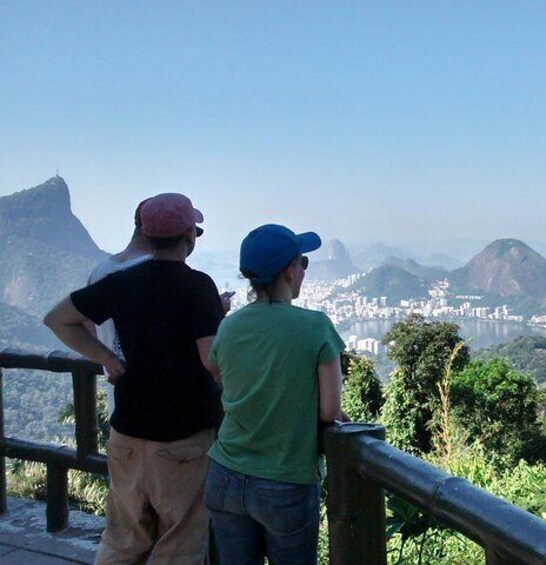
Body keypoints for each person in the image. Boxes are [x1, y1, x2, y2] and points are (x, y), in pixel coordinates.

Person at [44, 193, 224, 564]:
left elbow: (58, 319)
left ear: (146, 233)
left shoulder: (123, 282)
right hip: (183, 439)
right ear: (189, 235)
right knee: (180, 544)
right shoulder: (198, 286)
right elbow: (212, 361)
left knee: (122, 541)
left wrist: (107, 358)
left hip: (126, 434)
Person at [203, 224, 345, 565]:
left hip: (224, 474)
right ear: (289, 270)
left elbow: (218, 372)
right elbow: (330, 411)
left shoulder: (229, 325)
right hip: (285, 480)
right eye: (303, 263)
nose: (303, 271)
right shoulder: (315, 326)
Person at [86, 199, 152, 418]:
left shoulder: (100, 270)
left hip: (118, 402)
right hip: (163, 411)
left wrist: (108, 359)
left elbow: (86, 327)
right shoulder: (157, 273)